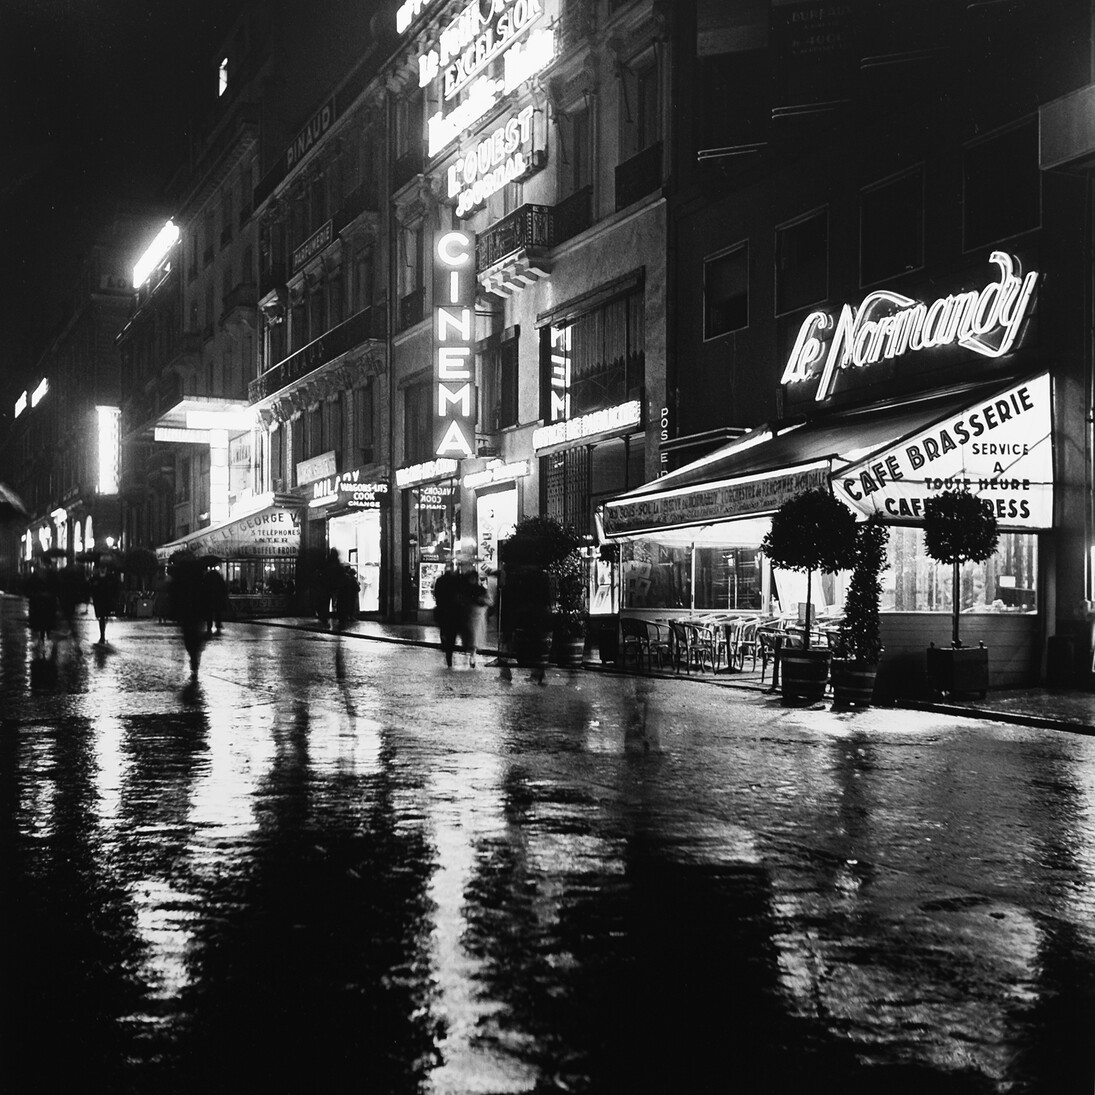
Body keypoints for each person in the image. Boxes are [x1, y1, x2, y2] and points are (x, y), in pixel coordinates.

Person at [168, 552, 207, 679]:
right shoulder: (199, 573)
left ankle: (193, 655)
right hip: (197, 607)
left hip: (186, 608)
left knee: (188, 635)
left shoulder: (180, 573)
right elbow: (204, 590)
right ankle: (195, 656)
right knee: (195, 633)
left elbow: (174, 591)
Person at [56, 557, 90, 655]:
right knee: (69, 622)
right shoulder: (74, 575)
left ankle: (58, 644)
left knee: (64, 623)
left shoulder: (64, 573)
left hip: (65, 601)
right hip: (70, 601)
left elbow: (59, 587)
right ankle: (74, 643)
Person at [26, 557, 59, 657]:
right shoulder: (36, 576)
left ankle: (47, 639)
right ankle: (43, 640)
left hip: (47, 603)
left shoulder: (52, 575)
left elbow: (57, 587)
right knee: (42, 622)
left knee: (47, 622)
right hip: (40, 603)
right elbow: (29, 588)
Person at [459, 569, 491, 669]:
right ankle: (471, 654)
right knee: (471, 636)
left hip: (476, 617)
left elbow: (489, 601)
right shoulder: (467, 590)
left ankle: (472, 655)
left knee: (474, 636)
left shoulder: (479, 590)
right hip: (470, 616)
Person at [432, 564, 463, 667]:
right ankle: (449, 650)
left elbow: (436, 594)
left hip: (443, 610)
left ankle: (445, 646)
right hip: (453, 612)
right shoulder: (456, 581)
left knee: (444, 629)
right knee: (452, 633)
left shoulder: (440, 580)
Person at [89, 561, 121, 644]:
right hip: (99, 601)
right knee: (102, 617)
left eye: (104, 568)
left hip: (107, 600)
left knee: (104, 617)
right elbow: (90, 587)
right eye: (101, 568)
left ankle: (102, 634)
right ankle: (102, 634)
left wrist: (114, 597)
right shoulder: (95, 578)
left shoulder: (110, 577)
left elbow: (116, 586)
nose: (102, 569)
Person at [202, 564, 228, 634]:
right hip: (217, 598)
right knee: (217, 612)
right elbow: (223, 587)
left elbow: (204, 587)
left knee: (209, 613)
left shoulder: (207, 576)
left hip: (209, 598)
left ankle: (209, 626)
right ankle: (218, 624)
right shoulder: (218, 576)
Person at [335, 565, 360, 630]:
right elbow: (356, 588)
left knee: (343, 606)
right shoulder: (350, 578)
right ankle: (348, 617)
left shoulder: (343, 578)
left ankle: (343, 619)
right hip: (349, 595)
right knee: (350, 606)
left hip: (344, 595)